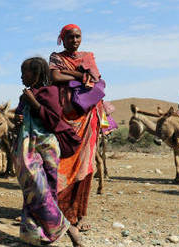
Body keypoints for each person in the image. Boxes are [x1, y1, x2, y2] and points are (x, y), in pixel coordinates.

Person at [13, 58, 83, 246]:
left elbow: (53, 119)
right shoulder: (25, 95)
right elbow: (18, 117)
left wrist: (33, 102)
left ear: (36, 74)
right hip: (29, 148)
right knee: (33, 189)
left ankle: (67, 228)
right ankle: (35, 236)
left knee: (45, 192)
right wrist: (17, 119)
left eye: (24, 72)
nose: (21, 76)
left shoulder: (50, 92)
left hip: (47, 148)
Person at [49, 24, 108, 232]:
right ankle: (59, 213)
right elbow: (54, 77)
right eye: (71, 37)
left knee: (86, 166)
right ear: (62, 39)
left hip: (87, 117)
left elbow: (96, 79)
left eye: (78, 37)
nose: (75, 40)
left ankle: (81, 214)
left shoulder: (88, 56)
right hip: (66, 117)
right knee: (62, 163)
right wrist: (78, 76)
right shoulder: (56, 57)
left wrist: (71, 73)